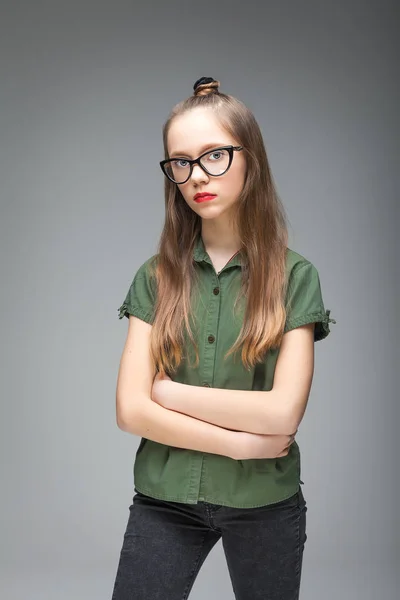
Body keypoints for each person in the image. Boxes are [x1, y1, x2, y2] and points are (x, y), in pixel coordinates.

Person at [111, 76, 337, 600]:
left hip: (266, 501)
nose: (195, 176)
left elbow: (283, 416)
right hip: (165, 498)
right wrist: (242, 443)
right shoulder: (155, 277)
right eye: (181, 162)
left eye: (214, 155)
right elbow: (129, 411)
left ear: (250, 158)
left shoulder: (295, 276)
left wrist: (168, 394)